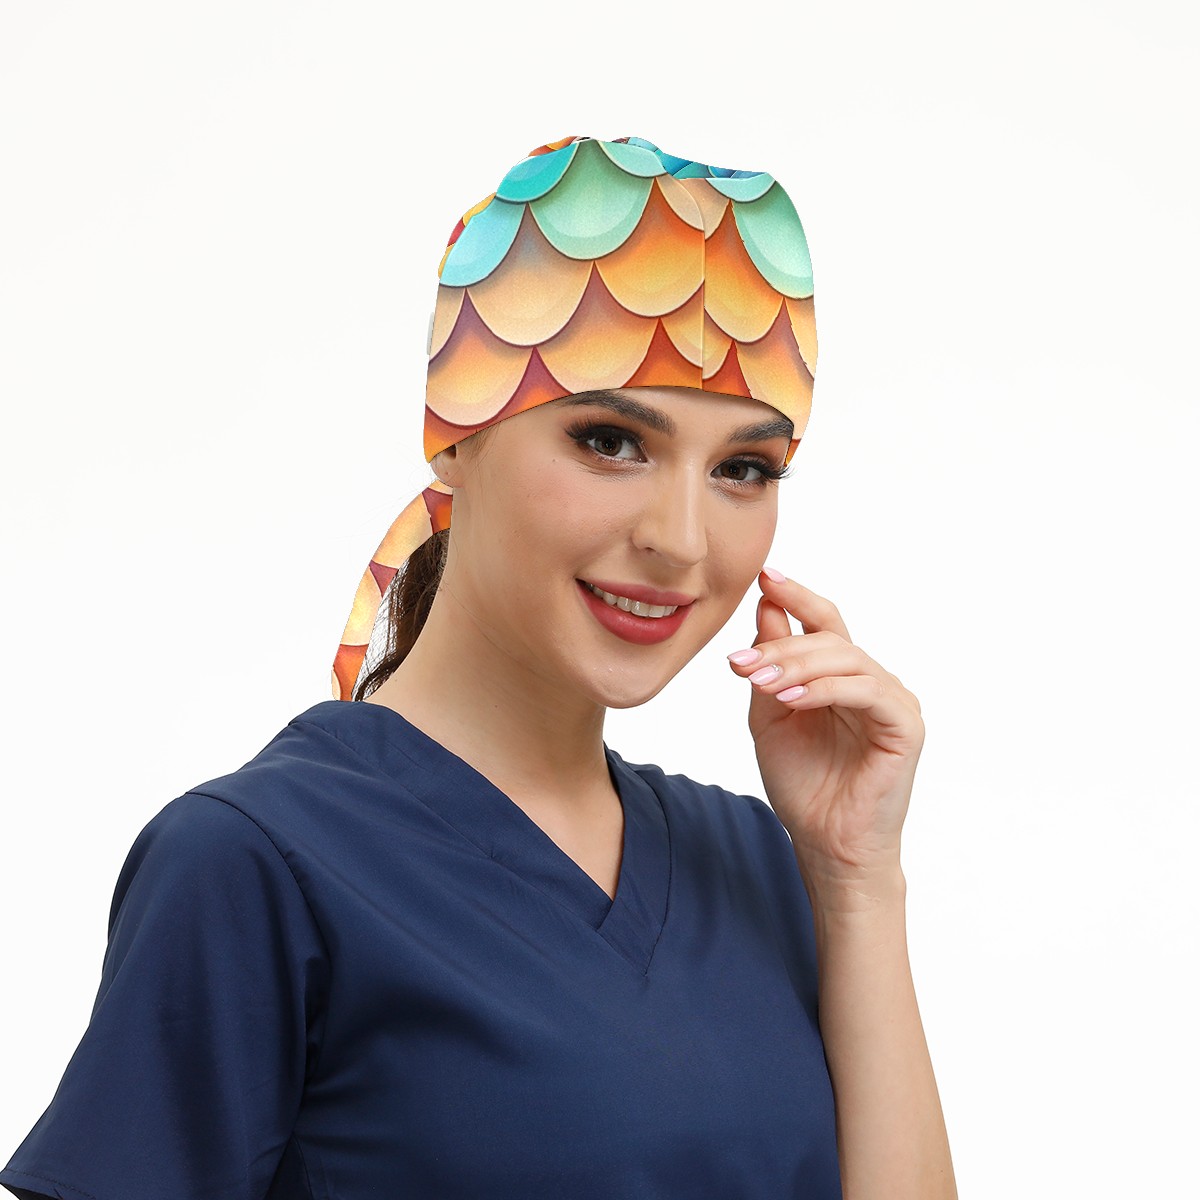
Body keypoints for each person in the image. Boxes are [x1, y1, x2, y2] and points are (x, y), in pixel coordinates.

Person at [1, 134, 957, 1200]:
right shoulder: (252, 864)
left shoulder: (751, 859)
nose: (683, 541)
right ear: (457, 435)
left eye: (743, 468)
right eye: (611, 442)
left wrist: (856, 879)